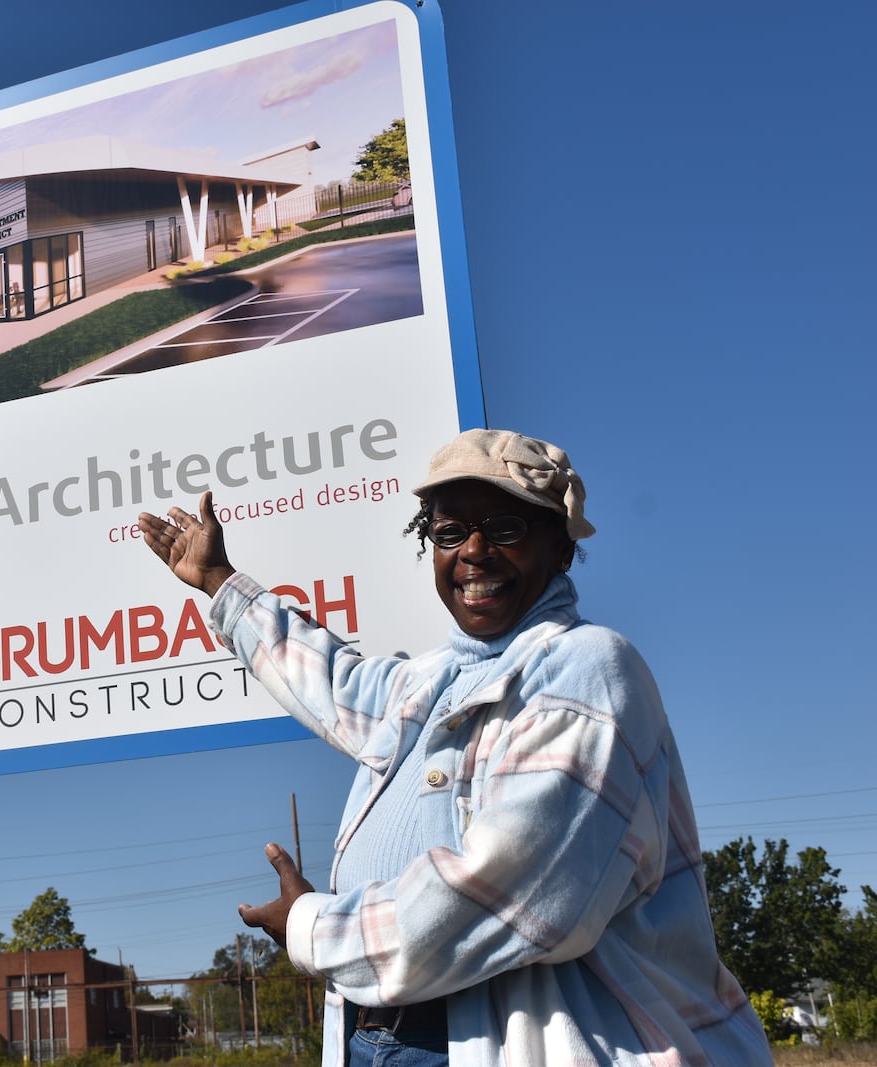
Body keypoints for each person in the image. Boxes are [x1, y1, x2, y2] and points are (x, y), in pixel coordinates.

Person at [137, 429, 771, 1067]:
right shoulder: (433, 680)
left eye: (504, 528)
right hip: (377, 1033)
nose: (474, 551)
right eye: (449, 532)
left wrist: (310, 928)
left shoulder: (587, 669)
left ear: (559, 544)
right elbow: (333, 683)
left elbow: (508, 893)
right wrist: (220, 583)